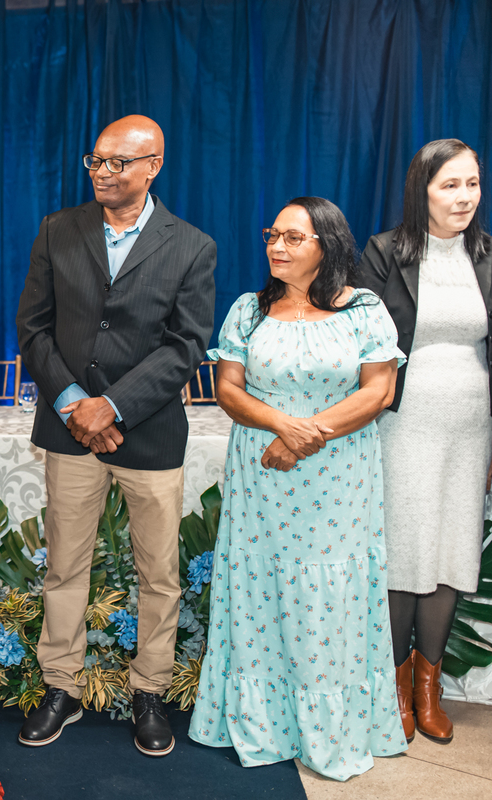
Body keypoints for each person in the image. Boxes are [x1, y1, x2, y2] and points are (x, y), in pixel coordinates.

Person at [15, 115, 216, 756]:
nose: (103, 172)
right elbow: (33, 328)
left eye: (118, 162)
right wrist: (76, 404)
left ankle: (149, 691)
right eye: (96, 160)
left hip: (149, 434)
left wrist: (114, 407)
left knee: (158, 574)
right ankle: (61, 687)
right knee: (64, 567)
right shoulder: (58, 229)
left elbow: (187, 345)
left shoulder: (192, 245)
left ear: (153, 166)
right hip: (69, 428)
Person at [189, 197, 408, 779]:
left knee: (329, 593)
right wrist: (283, 427)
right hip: (262, 473)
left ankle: (329, 729)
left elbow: (378, 391)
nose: (276, 247)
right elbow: (229, 390)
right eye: (272, 235)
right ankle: (264, 723)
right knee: (260, 589)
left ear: (326, 245)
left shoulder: (364, 310)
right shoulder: (248, 309)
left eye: (292, 237)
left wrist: (304, 436)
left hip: (338, 474)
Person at [356, 139, 492, 746]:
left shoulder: (487, 255)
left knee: (452, 550)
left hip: (472, 427)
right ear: (422, 190)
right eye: (450, 185)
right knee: (407, 550)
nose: (464, 197)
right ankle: (394, 683)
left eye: (473, 183)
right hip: (403, 423)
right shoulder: (385, 252)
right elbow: (360, 338)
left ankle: (428, 686)